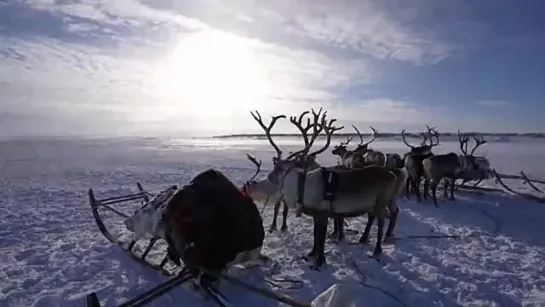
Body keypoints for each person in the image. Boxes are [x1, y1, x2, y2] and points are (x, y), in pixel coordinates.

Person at [163, 169, 265, 287]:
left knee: (201, 243)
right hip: (256, 245)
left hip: (235, 251)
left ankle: (210, 275)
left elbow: (215, 238)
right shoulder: (228, 194)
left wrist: (187, 259)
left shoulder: (204, 208)